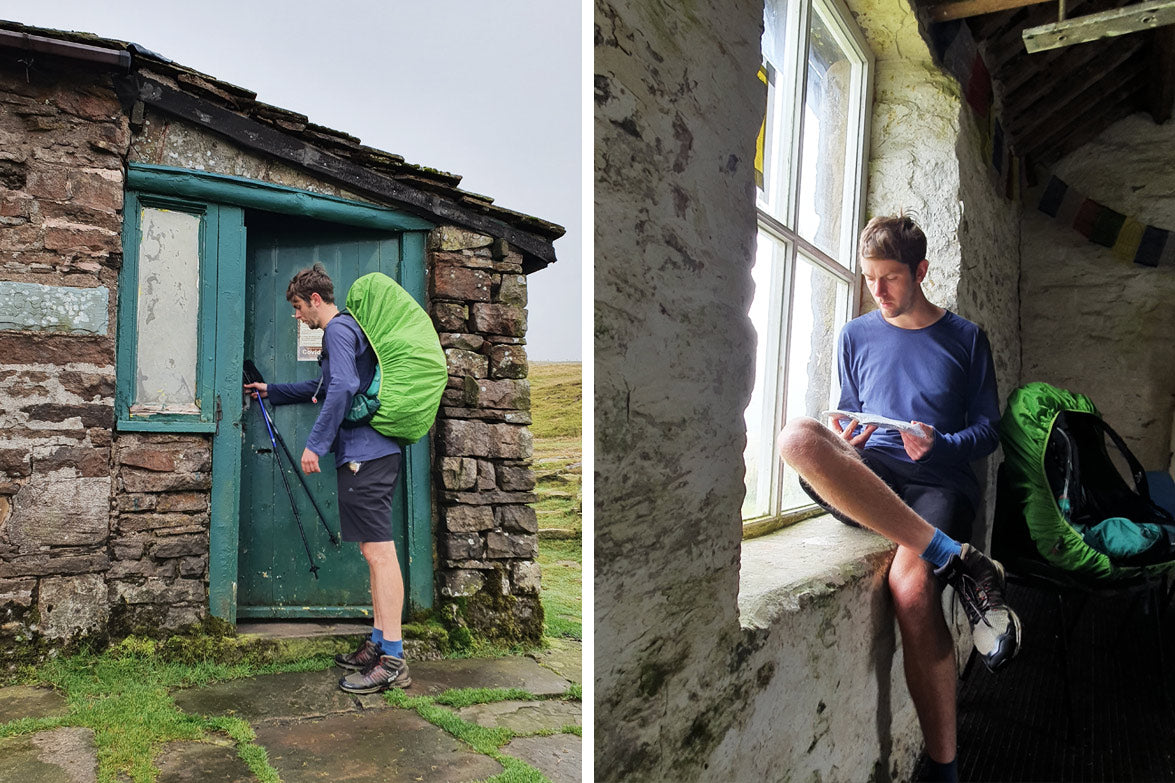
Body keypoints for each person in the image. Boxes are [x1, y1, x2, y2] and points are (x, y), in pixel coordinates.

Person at [775, 215, 1020, 783]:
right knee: (797, 438)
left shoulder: (967, 338)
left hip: (940, 481)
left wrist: (941, 442)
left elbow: (988, 431)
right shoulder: (854, 335)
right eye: (868, 278)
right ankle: (956, 558)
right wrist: (850, 436)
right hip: (874, 475)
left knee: (910, 591)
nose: (877, 291)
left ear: (921, 272)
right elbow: (852, 407)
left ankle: (944, 769)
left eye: (889, 278)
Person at [244, 263, 411, 694]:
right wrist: (272, 390)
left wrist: (315, 443)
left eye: (298, 307)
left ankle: (393, 658)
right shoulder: (348, 332)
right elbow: (323, 385)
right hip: (368, 455)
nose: (297, 316)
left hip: (366, 456)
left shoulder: (337, 329)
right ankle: (378, 642)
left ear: (315, 300)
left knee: (379, 554)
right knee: (372, 552)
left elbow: (341, 389)